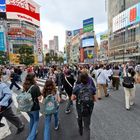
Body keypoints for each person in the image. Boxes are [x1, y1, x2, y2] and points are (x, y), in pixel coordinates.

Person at [71, 72, 96, 139]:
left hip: (79, 106)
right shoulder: (91, 87)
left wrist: (77, 97)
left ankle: (80, 129)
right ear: (88, 79)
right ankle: (86, 126)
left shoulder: (77, 87)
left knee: (79, 117)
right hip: (89, 107)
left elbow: (72, 98)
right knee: (87, 127)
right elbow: (95, 99)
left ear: (80, 79)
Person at [23, 73, 41, 140]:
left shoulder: (25, 85)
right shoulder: (35, 87)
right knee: (36, 121)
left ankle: (31, 133)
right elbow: (39, 98)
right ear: (33, 78)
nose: (36, 78)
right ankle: (30, 138)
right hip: (34, 107)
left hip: (27, 107)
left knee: (31, 119)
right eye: (35, 77)